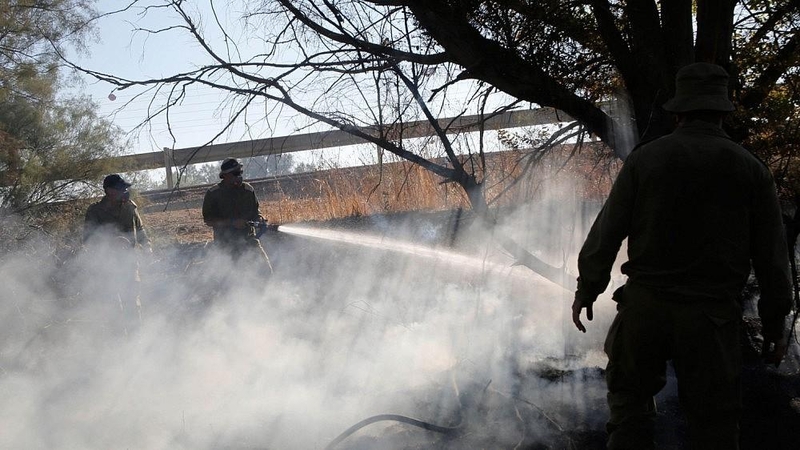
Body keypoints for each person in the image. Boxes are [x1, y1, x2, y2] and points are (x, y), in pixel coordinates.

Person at [572, 62, 793, 450]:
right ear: (724, 112)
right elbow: (772, 259)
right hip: (710, 320)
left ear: (677, 111)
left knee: (629, 413)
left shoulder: (645, 160)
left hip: (645, 311)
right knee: (714, 426)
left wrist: (587, 289)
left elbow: (606, 233)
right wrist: (775, 325)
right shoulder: (751, 170)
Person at [83, 173, 151, 332]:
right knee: (112, 304)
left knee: (132, 302)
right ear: (110, 191)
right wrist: (111, 241)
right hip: (106, 265)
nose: (125, 191)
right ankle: (116, 342)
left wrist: (148, 249)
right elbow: (88, 240)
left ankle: (136, 340)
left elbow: (141, 231)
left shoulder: (130, 207)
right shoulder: (95, 211)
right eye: (121, 188)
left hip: (129, 262)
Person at [202, 158, 272, 273]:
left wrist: (260, 220)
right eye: (235, 173)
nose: (239, 176)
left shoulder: (248, 190)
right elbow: (209, 220)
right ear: (225, 175)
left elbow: (256, 212)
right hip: (224, 245)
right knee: (227, 280)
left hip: (249, 241)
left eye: (240, 172)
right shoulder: (213, 193)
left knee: (266, 273)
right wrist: (232, 223)